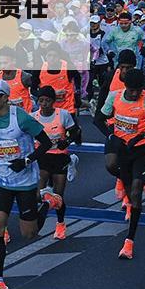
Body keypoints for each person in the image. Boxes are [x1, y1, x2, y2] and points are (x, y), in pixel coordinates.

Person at [0, 79, 58, 289]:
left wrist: (27, 160)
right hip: (1, 179)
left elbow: (46, 143)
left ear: (4, 97)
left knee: (28, 234)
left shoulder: (20, 117)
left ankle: (48, 203)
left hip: (25, 181)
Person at [99, 69, 145, 258]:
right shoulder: (114, 97)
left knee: (135, 194)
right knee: (122, 179)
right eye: (132, 90)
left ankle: (129, 241)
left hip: (141, 150)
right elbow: (101, 118)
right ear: (125, 86)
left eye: (138, 90)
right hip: (122, 151)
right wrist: (111, 135)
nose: (135, 94)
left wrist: (144, 135)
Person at [33, 84, 82, 240]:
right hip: (42, 156)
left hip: (59, 156)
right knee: (38, 195)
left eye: (47, 100)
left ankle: (60, 224)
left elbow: (75, 131)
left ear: (53, 101)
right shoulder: (33, 117)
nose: (44, 104)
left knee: (58, 197)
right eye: (41, 101)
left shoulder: (63, 115)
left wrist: (66, 141)